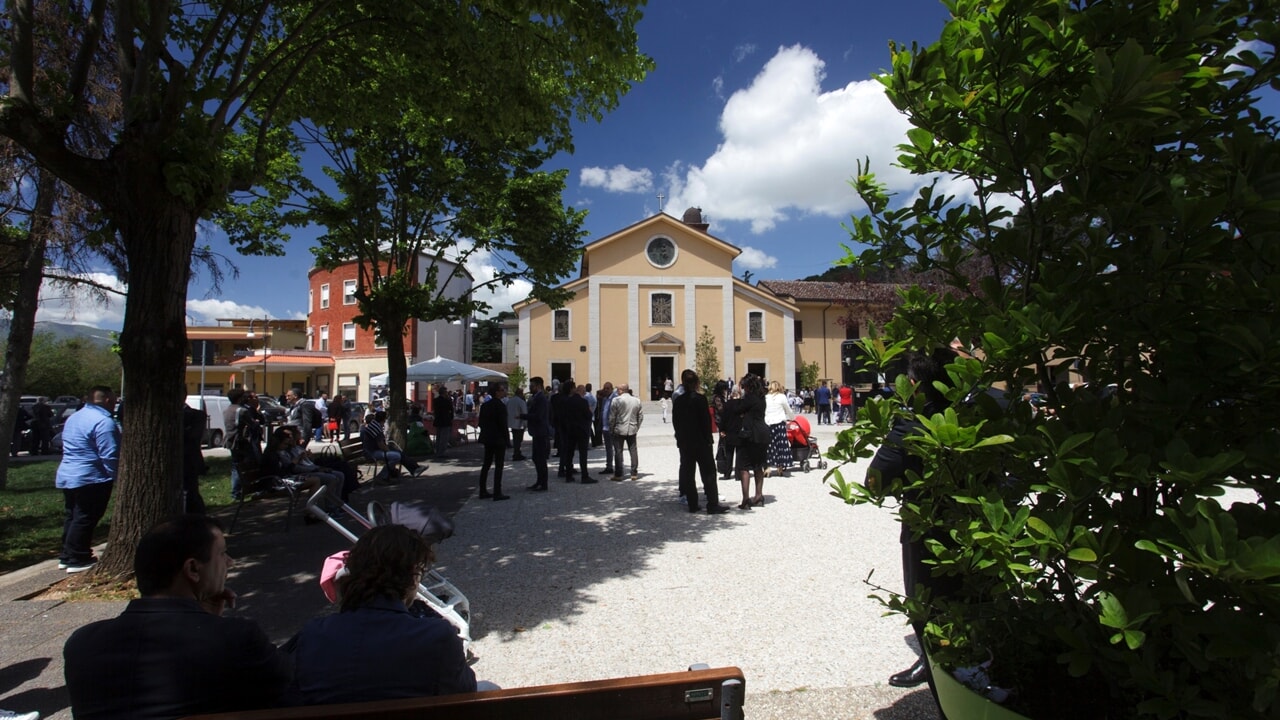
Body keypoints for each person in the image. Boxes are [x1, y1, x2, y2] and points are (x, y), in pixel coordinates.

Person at [63, 515, 290, 718]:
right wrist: (212, 624)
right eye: (222, 554)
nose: (230, 562)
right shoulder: (237, 638)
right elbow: (289, 690)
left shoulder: (81, 644)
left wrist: (206, 619)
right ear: (193, 569)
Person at [289, 524, 476, 704]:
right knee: (487, 688)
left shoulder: (313, 635)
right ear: (413, 575)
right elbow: (465, 692)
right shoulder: (436, 636)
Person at [869, 348, 959, 690]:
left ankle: (936, 665)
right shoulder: (982, 413)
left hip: (926, 525)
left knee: (927, 599)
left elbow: (875, 480)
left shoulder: (911, 423)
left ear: (914, 385)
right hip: (979, 524)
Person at [54, 386, 119, 573]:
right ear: (107, 400)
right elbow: (109, 454)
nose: (115, 405)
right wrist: (117, 475)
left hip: (68, 474)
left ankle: (67, 555)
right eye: (114, 401)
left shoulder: (74, 418)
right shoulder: (104, 422)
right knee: (85, 517)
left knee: (72, 516)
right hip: (91, 477)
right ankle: (78, 557)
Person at [672, 370, 731, 514]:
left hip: (686, 442)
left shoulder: (678, 400)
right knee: (709, 473)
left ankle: (692, 504)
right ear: (696, 383)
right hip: (700, 441)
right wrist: (708, 438)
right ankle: (712, 504)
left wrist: (679, 438)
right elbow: (705, 421)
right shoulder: (700, 399)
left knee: (688, 473)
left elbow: (676, 422)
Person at [262, 427, 345, 517]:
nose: (287, 444)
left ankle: (332, 506)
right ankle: (317, 511)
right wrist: (298, 461)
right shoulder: (277, 454)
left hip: (286, 477)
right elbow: (290, 469)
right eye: (285, 443)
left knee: (338, 475)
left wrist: (309, 459)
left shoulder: (289, 449)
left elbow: (302, 464)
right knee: (326, 479)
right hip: (278, 481)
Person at [732, 374, 769, 510]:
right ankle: (759, 495)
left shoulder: (749, 398)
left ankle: (746, 499)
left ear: (748, 386)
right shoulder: (761, 397)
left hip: (750, 434)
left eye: (743, 386)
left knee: (744, 466)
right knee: (758, 465)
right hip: (762, 432)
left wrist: (737, 397)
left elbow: (737, 409)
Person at [360, 411, 428, 482]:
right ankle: (382, 476)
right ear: (383, 420)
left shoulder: (374, 424)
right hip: (372, 452)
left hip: (372, 450)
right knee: (396, 456)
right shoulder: (376, 428)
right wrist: (388, 450)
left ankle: (415, 468)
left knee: (399, 453)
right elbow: (381, 445)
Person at [224, 389, 263, 501]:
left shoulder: (227, 410)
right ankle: (243, 490)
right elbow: (253, 424)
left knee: (235, 466)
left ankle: (236, 491)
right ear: (240, 398)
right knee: (248, 465)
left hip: (230, 441)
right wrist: (256, 420)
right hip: (241, 442)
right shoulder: (242, 411)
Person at [477, 385, 511, 500]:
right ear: (497, 393)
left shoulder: (485, 406)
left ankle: (482, 490)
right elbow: (503, 425)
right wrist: (507, 440)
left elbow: (480, 423)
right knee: (499, 465)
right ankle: (497, 491)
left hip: (487, 438)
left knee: (486, 464)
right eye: (502, 390)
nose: (504, 392)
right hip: (498, 438)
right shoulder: (500, 406)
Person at [608, 383, 643, 481]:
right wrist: (637, 427)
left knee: (618, 451)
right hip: (632, 428)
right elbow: (640, 416)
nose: (617, 391)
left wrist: (611, 428)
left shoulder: (616, 400)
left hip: (619, 429)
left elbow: (612, 417)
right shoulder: (636, 400)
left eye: (617, 390)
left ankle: (618, 474)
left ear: (621, 390)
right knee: (633, 450)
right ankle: (634, 473)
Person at [523, 376, 552, 491]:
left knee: (540, 459)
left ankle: (543, 483)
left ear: (538, 386)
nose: (530, 388)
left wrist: (523, 416)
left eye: (532, 386)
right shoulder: (536, 397)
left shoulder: (541, 399)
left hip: (541, 432)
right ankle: (539, 481)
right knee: (536, 458)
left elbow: (539, 416)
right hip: (537, 432)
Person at [565, 383, 596, 483]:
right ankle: (584, 476)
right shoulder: (583, 402)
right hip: (582, 430)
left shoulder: (568, 401)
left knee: (569, 453)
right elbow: (588, 415)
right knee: (583, 453)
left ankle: (568, 475)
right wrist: (590, 411)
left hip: (570, 429)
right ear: (582, 392)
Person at [181, 402, 208, 514]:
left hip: (188, 461)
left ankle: (197, 517)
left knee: (190, 492)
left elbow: (192, 436)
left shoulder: (196, 416)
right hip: (187, 461)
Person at [764, 380, 795, 477]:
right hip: (779, 423)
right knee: (780, 445)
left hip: (768, 423)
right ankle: (780, 467)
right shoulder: (782, 397)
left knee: (769, 445)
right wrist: (792, 418)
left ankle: (767, 467)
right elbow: (788, 409)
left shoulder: (765, 397)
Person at [598, 383, 617, 475]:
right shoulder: (604, 399)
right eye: (604, 388)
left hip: (613, 428)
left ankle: (618, 467)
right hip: (605, 427)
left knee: (616, 448)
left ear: (612, 389)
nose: (606, 390)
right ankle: (609, 466)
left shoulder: (615, 399)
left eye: (608, 388)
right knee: (608, 448)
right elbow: (602, 411)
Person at [506, 387, 528, 461]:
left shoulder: (510, 401)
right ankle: (517, 453)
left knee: (515, 439)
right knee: (518, 440)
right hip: (519, 423)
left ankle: (517, 452)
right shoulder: (521, 402)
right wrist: (526, 424)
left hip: (512, 422)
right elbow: (524, 412)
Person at [432, 384, 453, 459]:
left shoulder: (435, 400)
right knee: (444, 438)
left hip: (438, 420)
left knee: (438, 437)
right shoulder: (446, 401)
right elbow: (451, 409)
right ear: (444, 393)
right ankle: (441, 452)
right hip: (445, 420)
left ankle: (437, 451)